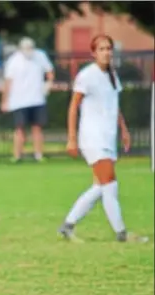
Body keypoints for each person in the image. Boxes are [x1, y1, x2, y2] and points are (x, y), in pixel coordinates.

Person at [58, 35, 148, 243]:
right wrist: (71, 137)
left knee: (100, 187)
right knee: (110, 185)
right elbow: (74, 106)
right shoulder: (87, 76)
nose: (106, 52)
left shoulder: (112, 75)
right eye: (101, 49)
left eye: (109, 48)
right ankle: (122, 233)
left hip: (108, 138)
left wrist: (124, 130)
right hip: (93, 138)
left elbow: (113, 105)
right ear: (93, 53)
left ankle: (68, 225)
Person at [0, 37, 54, 162]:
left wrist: (48, 84)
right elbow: (8, 82)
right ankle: (17, 155)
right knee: (19, 129)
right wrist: (4, 100)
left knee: (37, 128)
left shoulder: (40, 56)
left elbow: (50, 72)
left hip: (37, 99)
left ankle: (38, 155)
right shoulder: (13, 61)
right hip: (19, 101)